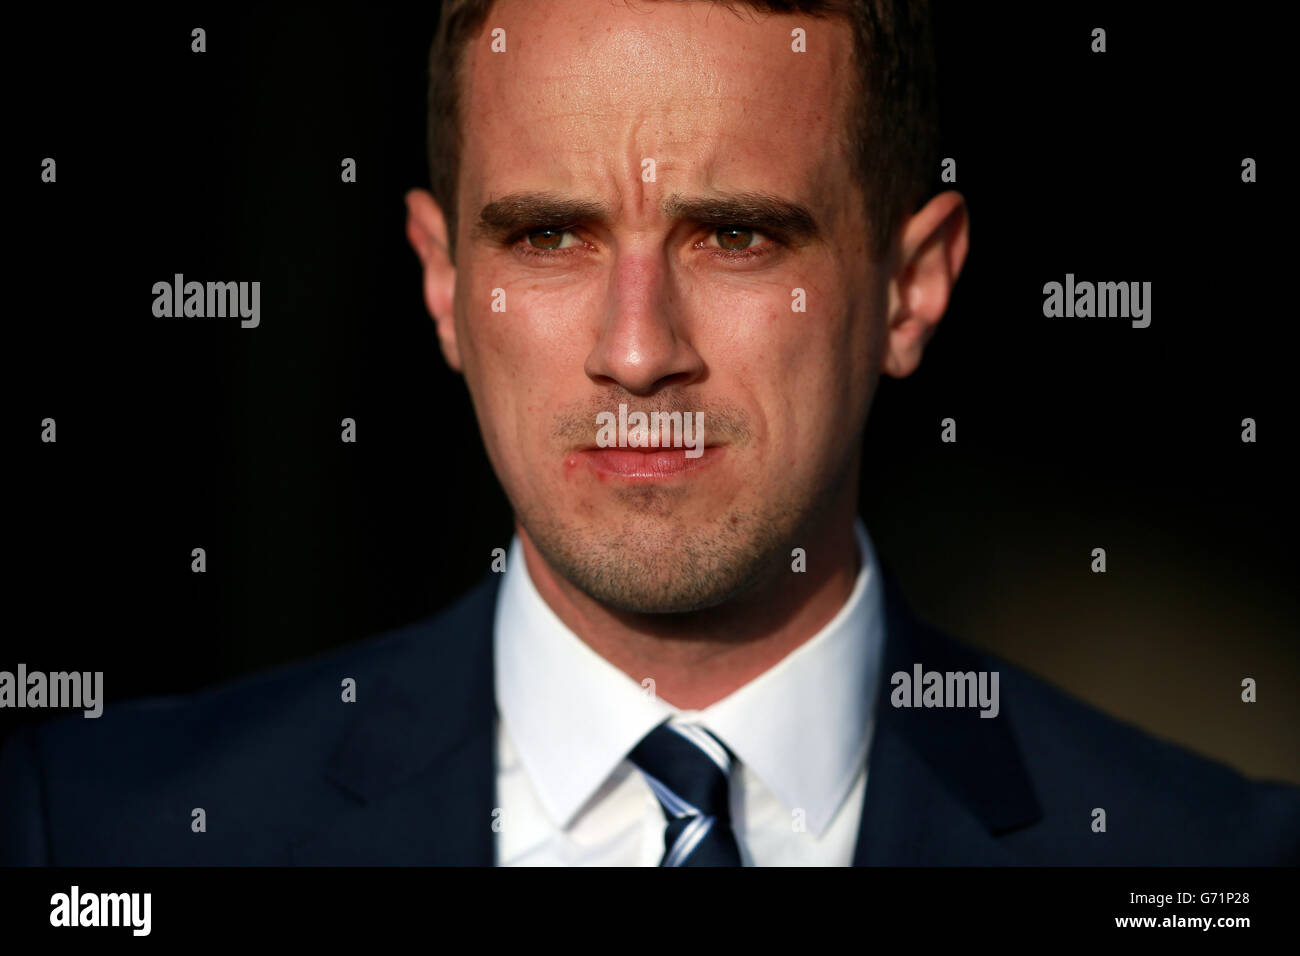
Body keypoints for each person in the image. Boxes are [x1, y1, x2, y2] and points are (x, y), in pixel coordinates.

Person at [2, 0, 1296, 866]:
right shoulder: (106, 833)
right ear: (444, 285)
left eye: (737, 237)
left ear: (914, 289)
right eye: (547, 237)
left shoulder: (1210, 863)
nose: (636, 349)